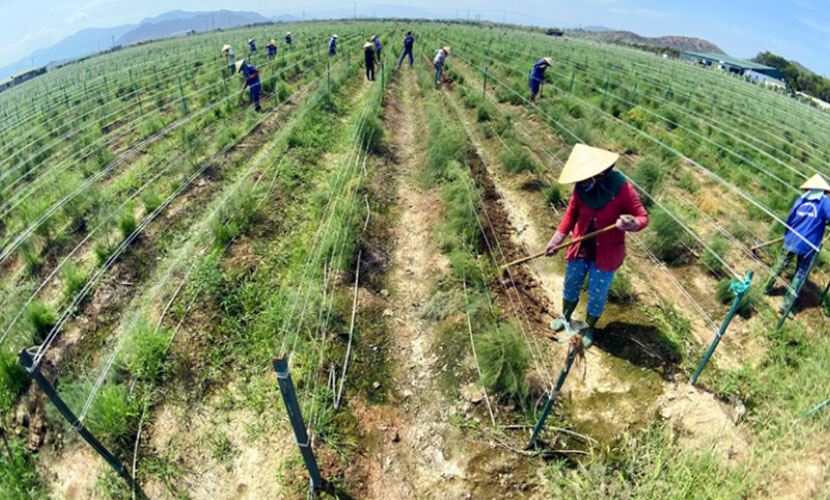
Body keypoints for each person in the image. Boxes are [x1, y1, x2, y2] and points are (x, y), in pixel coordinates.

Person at [545, 144, 649, 349]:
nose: (581, 184)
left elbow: (642, 217)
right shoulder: (581, 188)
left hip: (607, 254)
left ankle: (589, 327)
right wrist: (557, 238)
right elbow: (571, 213)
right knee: (571, 283)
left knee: (597, 293)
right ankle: (565, 317)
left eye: (584, 179)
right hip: (580, 247)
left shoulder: (622, 188)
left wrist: (632, 223)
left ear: (598, 174)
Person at [763, 173, 830, 311]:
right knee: (801, 272)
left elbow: (789, 219)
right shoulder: (824, 202)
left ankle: (766, 288)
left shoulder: (800, 200)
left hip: (792, 239)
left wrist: (786, 234)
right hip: (808, 245)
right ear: (823, 190)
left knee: (780, 263)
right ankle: (786, 305)